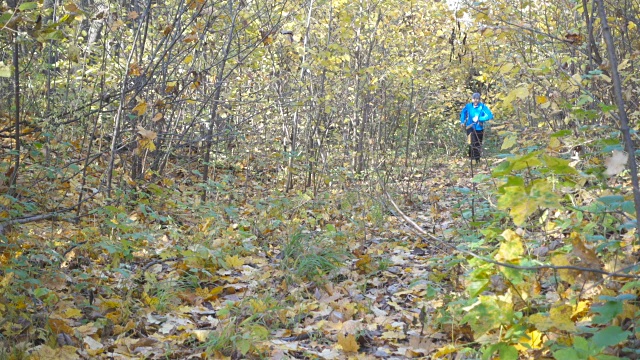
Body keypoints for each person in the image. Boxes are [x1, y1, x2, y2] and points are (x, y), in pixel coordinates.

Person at [460, 92, 493, 163]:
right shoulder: (468, 106)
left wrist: (480, 118)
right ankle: (472, 159)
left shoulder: (482, 107)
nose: (476, 101)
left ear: (479, 100)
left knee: (478, 143)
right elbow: (463, 113)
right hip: (470, 127)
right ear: (472, 99)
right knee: (472, 142)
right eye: (474, 99)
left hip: (479, 128)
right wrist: (462, 121)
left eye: (477, 99)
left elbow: (490, 115)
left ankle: (477, 160)